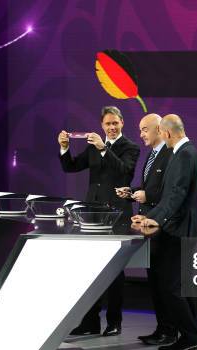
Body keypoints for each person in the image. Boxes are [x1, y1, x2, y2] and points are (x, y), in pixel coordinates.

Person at [58, 105, 140, 336]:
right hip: (93, 215)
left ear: (122, 122)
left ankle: (115, 322)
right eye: (108, 124)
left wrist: (105, 149)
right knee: (91, 269)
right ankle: (90, 322)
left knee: (115, 271)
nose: (112, 127)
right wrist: (64, 148)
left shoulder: (130, 147)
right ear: (102, 125)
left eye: (115, 123)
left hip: (117, 215)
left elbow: (125, 172)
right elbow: (71, 167)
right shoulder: (93, 147)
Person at [132, 114, 197, 350]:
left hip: (180, 229)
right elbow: (169, 195)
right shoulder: (184, 152)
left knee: (173, 288)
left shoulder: (184, 154)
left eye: (161, 133)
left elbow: (176, 194)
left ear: (168, 133)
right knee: (179, 288)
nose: (161, 137)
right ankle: (191, 338)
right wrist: (149, 217)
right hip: (177, 227)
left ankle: (190, 338)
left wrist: (155, 218)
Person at [116, 113, 176, 345]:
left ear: (159, 129)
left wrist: (147, 195)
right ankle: (162, 328)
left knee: (164, 282)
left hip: (163, 226)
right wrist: (131, 192)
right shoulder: (152, 155)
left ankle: (170, 330)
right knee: (155, 281)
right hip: (148, 226)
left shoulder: (171, 155)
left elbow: (171, 192)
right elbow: (149, 188)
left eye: (144, 129)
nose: (140, 134)